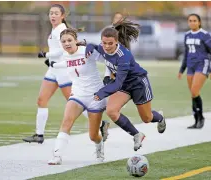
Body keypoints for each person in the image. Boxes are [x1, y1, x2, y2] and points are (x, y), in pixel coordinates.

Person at [23, 4, 109, 144]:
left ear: (62, 16)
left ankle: (101, 124)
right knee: (41, 100)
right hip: (53, 69)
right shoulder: (55, 29)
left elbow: (63, 51)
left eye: (56, 13)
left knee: (76, 103)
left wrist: (46, 54)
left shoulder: (61, 30)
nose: (53, 15)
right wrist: (50, 60)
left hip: (64, 70)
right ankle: (39, 135)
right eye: (51, 13)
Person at [85, 19, 166, 151]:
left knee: (147, 118)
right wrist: (88, 46)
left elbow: (117, 83)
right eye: (104, 43)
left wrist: (102, 93)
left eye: (110, 43)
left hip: (138, 83)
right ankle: (136, 134)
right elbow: (95, 46)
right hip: (124, 85)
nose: (106, 46)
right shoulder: (103, 48)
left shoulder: (124, 56)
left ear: (117, 42)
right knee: (111, 111)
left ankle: (160, 117)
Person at [46, 28, 108, 165]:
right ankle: (57, 155)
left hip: (96, 96)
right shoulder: (65, 54)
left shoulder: (87, 51)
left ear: (76, 41)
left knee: (93, 136)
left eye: (69, 40)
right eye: (63, 41)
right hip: (78, 94)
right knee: (66, 121)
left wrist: (113, 77)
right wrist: (53, 64)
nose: (67, 43)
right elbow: (67, 63)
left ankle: (99, 145)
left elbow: (107, 60)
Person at [178, 14, 211, 129]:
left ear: (199, 22)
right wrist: (182, 69)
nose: (192, 23)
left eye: (195, 21)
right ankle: (196, 120)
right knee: (193, 94)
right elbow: (186, 53)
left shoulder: (205, 35)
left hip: (202, 64)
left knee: (195, 90)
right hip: (191, 66)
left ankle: (201, 118)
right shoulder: (187, 35)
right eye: (190, 21)